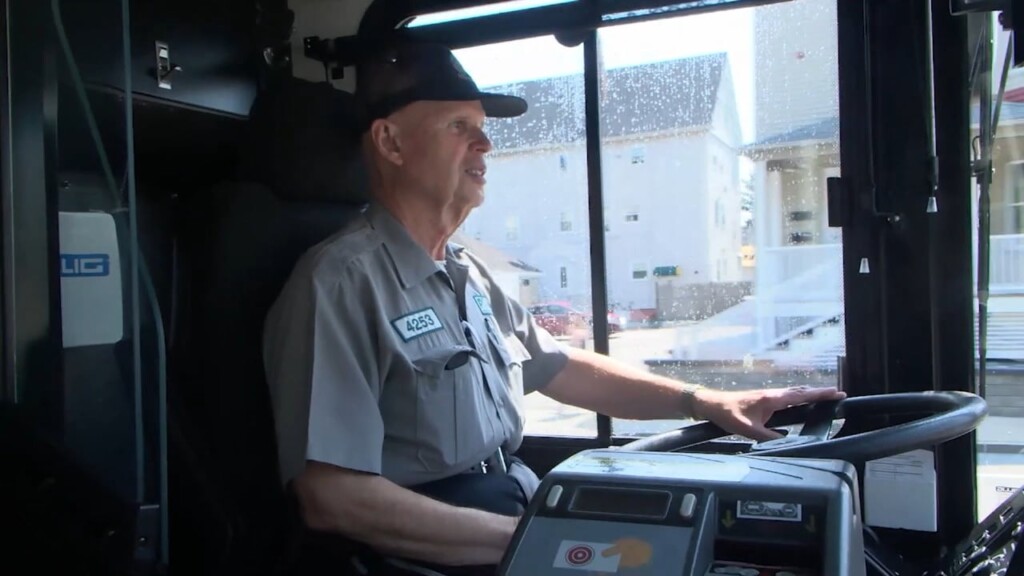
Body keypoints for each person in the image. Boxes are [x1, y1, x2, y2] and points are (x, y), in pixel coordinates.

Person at [261, 39, 845, 574]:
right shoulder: (339, 283)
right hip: (423, 555)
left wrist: (706, 401)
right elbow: (332, 496)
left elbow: (558, 366)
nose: (485, 143)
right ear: (389, 141)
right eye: (460, 126)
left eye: (483, 127)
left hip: (508, 505)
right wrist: (531, 540)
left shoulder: (467, 271)